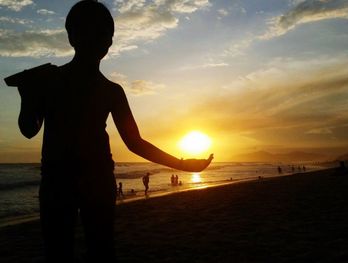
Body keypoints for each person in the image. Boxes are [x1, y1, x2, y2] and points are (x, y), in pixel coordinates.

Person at [13, 1, 213, 262]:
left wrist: (181, 164)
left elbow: (135, 142)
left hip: (97, 179)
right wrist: (27, 95)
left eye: (104, 34)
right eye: (89, 32)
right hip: (56, 180)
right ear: (72, 36)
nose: (98, 40)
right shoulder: (50, 80)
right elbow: (29, 129)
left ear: (109, 42)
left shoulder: (112, 91)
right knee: (58, 251)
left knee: (101, 249)